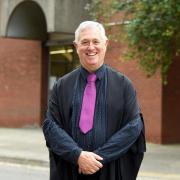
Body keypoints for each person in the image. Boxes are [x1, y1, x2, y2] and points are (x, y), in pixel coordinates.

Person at [43, 21, 146, 180]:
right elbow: (51, 127)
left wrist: (97, 159)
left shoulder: (123, 85)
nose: (91, 47)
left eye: (96, 41)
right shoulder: (61, 86)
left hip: (110, 170)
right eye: (84, 42)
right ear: (76, 46)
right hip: (70, 169)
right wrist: (77, 156)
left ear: (105, 44)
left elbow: (133, 127)